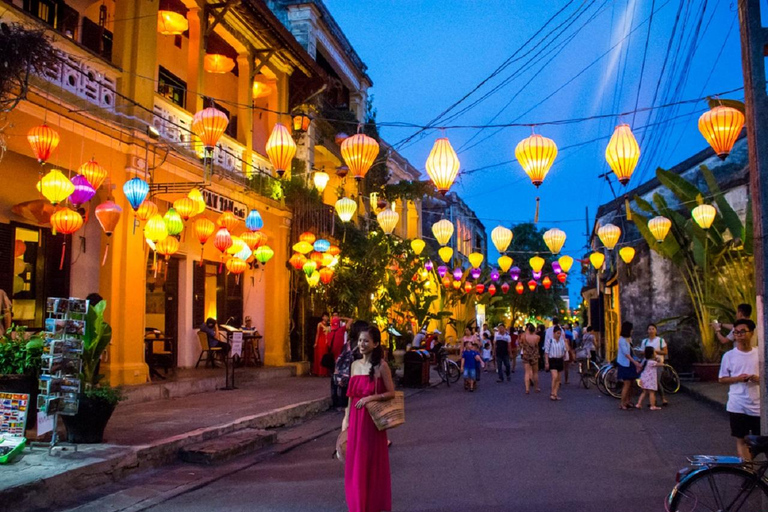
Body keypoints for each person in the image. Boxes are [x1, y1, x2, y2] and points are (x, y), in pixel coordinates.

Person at [341, 325, 394, 512]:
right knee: (355, 464)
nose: (361, 344)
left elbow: (391, 393)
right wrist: (346, 419)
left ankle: (372, 505)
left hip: (372, 423)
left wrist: (371, 398)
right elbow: (350, 396)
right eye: (360, 340)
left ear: (375, 344)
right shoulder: (354, 365)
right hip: (355, 421)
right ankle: (358, 505)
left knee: (369, 464)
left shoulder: (381, 366)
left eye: (366, 341)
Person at [718, 319, 760, 461]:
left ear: (752, 333)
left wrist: (757, 379)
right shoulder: (729, 356)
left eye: (743, 331)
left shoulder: (760, 354)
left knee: (762, 441)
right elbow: (722, 379)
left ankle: (756, 473)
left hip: (758, 405)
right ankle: (748, 473)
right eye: (736, 332)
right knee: (741, 439)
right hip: (737, 404)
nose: (739, 335)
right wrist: (737, 379)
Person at [333, 320, 367, 411]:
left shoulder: (347, 344)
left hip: (346, 376)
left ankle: (344, 406)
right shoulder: (362, 345)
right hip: (357, 377)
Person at [640, 323, 669, 406]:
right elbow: (642, 352)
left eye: (653, 329)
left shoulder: (660, 340)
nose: (651, 331)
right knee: (651, 382)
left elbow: (665, 352)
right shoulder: (644, 341)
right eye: (649, 329)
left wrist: (654, 351)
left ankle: (662, 398)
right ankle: (654, 400)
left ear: (656, 330)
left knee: (656, 381)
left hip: (658, 363)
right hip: (648, 365)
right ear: (647, 331)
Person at [617, 321, 642, 410]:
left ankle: (628, 401)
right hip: (624, 363)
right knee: (626, 384)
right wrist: (635, 362)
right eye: (631, 329)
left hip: (630, 363)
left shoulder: (629, 339)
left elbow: (631, 350)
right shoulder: (622, 340)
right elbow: (626, 353)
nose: (632, 331)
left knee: (631, 383)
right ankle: (622, 403)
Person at [544, 326, 567, 401]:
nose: (559, 335)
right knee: (555, 376)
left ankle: (555, 393)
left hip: (559, 359)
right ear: (554, 333)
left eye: (560, 333)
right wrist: (547, 362)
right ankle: (552, 392)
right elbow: (546, 352)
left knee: (558, 379)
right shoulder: (550, 341)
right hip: (552, 359)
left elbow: (565, 350)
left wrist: (565, 341)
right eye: (557, 333)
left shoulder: (562, 341)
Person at [636, 346, 661, 410]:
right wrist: (659, 360)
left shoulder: (645, 360)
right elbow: (660, 364)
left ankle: (639, 404)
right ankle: (652, 406)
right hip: (651, 380)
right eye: (655, 352)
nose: (656, 353)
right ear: (652, 354)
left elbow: (641, 366)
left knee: (644, 392)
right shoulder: (652, 362)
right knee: (652, 392)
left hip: (644, 378)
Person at [520, 323, 541, 394]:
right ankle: (536, 387)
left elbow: (521, 344)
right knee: (535, 372)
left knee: (527, 372)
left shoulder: (523, 336)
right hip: (534, 355)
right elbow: (537, 345)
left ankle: (527, 389)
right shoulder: (537, 337)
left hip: (526, 355)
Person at [312, 312, 331, 377]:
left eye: (327, 316)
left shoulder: (329, 325)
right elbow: (317, 334)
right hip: (320, 341)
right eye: (325, 316)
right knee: (320, 356)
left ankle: (325, 372)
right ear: (322, 317)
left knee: (325, 355)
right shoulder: (319, 324)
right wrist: (316, 342)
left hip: (326, 341)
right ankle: (319, 372)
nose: (326, 318)